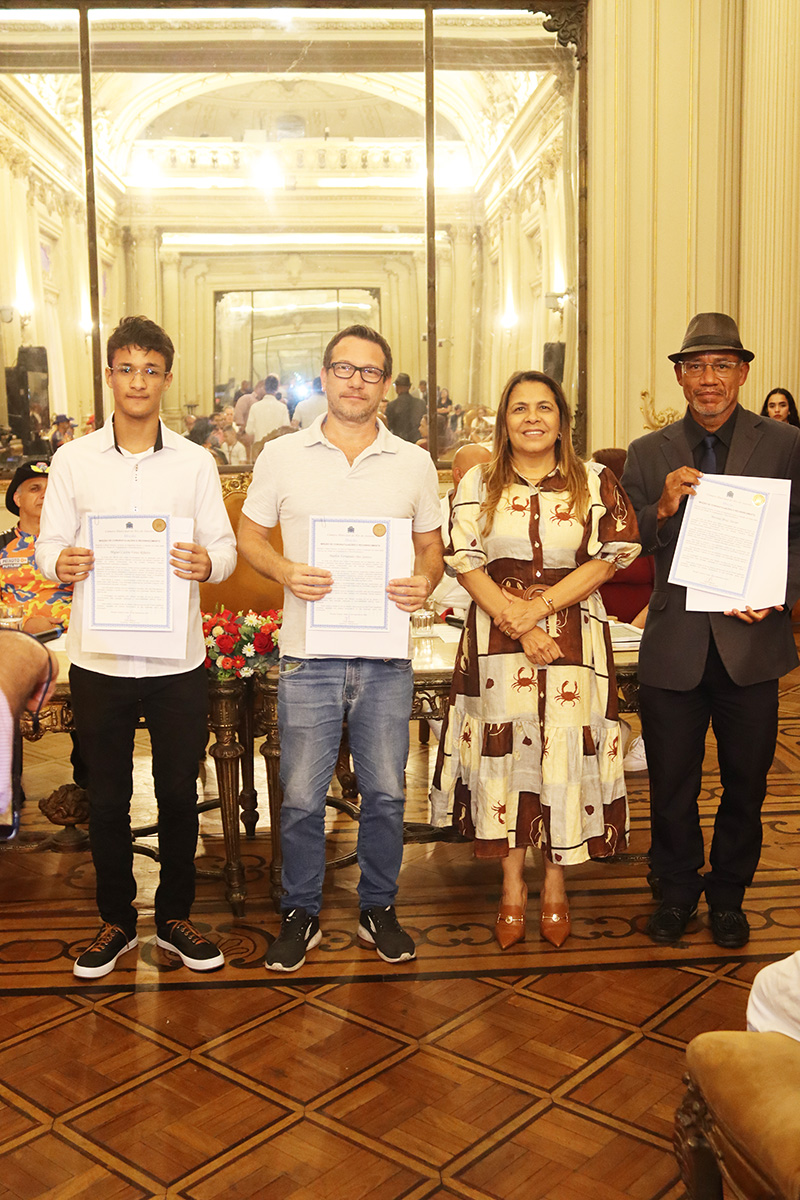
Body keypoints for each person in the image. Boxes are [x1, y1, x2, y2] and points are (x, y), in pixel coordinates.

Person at [36, 314, 237, 979]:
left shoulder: (195, 461)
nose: (138, 381)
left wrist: (208, 566)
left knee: (178, 790)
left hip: (177, 659)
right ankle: (116, 922)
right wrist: (58, 561)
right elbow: (46, 543)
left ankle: (176, 915)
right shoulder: (72, 460)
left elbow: (227, 549)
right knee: (107, 797)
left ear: (166, 380)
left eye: (151, 369)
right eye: (126, 368)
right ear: (110, 376)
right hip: (99, 657)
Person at [238, 324, 443, 972]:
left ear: (387, 384)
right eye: (344, 369)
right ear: (324, 376)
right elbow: (248, 537)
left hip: (385, 655)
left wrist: (424, 581)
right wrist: (284, 571)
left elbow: (433, 551)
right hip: (308, 653)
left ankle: (378, 906)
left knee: (385, 791)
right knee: (300, 793)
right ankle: (300, 910)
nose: (357, 381)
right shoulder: (282, 456)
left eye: (370, 371)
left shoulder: (413, 461)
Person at [430, 371, 640, 950]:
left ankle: (555, 883)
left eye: (544, 407)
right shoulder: (477, 481)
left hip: (573, 634)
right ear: (504, 420)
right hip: (497, 639)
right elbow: (464, 558)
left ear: (562, 420)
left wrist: (540, 609)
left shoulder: (596, 481)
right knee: (506, 750)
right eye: (519, 408)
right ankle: (510, 885)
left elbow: (610, 557)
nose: (532, 418)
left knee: (563, 750)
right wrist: (515, 621)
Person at [622, 312, 800, 949]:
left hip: (751, 644)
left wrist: (777, 593)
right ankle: (674, 891)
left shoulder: (784, 444)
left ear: (743, 372)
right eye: (695, 366)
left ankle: (728, 892)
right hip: (675, 644)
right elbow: (624, 543)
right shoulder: (648, 453)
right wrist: (661, 506)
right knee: (671, 781)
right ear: (678, 376)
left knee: (747, 783)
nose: (708, 378)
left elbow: (797, 533)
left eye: (722, 365)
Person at [1, 462, 73, 635]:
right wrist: (27, 623)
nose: (45, 495)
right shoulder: (3, 543)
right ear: (18, 499)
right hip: (14, 637)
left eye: (51, 490)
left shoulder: (78, 542)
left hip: (74, 637)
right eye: (35, 489)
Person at [429, 443, 492, 622]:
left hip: (485, 614)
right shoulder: (431, 514)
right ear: (459, 475)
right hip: (436, 614)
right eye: (484, 475)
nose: (490, 481)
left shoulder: (499, 515)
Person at [246, 375, 291, 455]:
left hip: (259, 451)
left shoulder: (255, 407)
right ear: (277, 388)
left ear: (264, 388)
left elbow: (249, 430)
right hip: (277, 449)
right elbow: (286, 429)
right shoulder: (282, 408)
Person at [385, 372, 426, 443]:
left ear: (397, 388)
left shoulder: (392, 405)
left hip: (399, 444)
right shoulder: (421, 403)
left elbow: (388, 427)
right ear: (409, 387)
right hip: (417, 443)